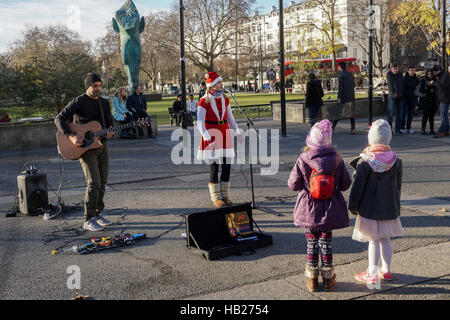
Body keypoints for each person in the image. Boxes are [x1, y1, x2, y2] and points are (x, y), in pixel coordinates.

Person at [288, 119, 351, 292]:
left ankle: (312, 280)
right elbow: (345, 184)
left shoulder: (303, 159)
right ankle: (329, 279)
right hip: (330, 208)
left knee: (311, 243)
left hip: (309, 207)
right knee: (326, 242)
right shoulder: (337, 159)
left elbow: (293, 185)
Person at [54, 73, 114, 232]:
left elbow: (109, 123)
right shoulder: (79, 101)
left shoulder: (104, 103)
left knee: (103, 181)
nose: (98, 89)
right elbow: (59, 119)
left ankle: (97, 213)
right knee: (94, 182)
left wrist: (110, 132)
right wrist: (72, 136)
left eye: (100, 85)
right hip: (85, 147)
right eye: (94, 86)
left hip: (102, 145)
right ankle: (88, 218)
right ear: (87, 86)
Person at [348, 119, 404, 284]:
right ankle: (386, 270)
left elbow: (357, 187)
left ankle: (372, 271)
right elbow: (398, 186)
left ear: (370, 139)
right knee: (385, 239)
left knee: (373, 239)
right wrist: (396, 204)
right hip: (389, 206)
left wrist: (353, 206)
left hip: (369, 208)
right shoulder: (396, 161)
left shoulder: (365, 161)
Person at [197, 71, 243, 208]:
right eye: (219, 83)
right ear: (211, 85)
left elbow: (230, 117)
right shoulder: (203, 101)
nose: (221, 84)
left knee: (227, 165)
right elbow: (200, 122)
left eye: (221, 82)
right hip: (211, 134)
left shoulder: (225, 99)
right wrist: (207, 136)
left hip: (224, 133)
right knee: (214, 166)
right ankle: (216, 197)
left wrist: (237, 130)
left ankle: (225, 195)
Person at [332, 61, 356, 134]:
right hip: (351, 96)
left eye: (338, 66)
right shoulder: (350, 74)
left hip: (343, 96)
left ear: (340, 67)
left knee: (338, 112)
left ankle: (333, 127)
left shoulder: (341, 75)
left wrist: (339, 97)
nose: (337, 68)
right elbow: (353, 85)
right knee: (351, 113)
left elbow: (341, 87)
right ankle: (353, 129)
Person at [431, 65, 450, 138]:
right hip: (442, 98)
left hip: (444, 98)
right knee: (444, 115)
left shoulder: (444, 76)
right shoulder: (442, 76)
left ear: (438, 71)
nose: (434, 73)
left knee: (443, 115)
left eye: (435, 72)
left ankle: (441, 131)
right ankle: (446, 130)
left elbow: (442, 85)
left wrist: (434, 82)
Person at [418, 69, 438, 135]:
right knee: (425, 116)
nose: (429, 75)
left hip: (433, 101)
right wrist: (428, 88)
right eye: (428, 74)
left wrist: (433, 84)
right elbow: (421, 90)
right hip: (425, 101)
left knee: (431, 116)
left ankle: (432, 129)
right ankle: (423, 130)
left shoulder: (435, 80)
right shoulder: (424, 80)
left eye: (431, 74)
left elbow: (437, 90)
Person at [400, 66, 419, 134]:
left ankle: (409, 127)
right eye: (411, 70)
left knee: (410, 114)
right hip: (405, 98)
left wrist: (416, 96)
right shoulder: (404, 78)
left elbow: (417, 88)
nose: (412, 72)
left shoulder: (416, 79)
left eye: (413, 70)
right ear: (408, 71)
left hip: (413, 98)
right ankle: (402, 127)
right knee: (403, 113)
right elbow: (403, 88)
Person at [386, 63, 404, 134]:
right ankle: (389, 129)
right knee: (390, 114)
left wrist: (401, 93)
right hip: (392, 96)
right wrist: (394, 94)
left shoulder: (400, 74)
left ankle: (397, 129)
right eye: (394, 69)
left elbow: (401, 84)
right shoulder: (389, 74)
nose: (396, 70)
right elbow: (391, 86)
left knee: (399, 114)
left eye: (397, 69)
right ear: (391, 69)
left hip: (400, 96)